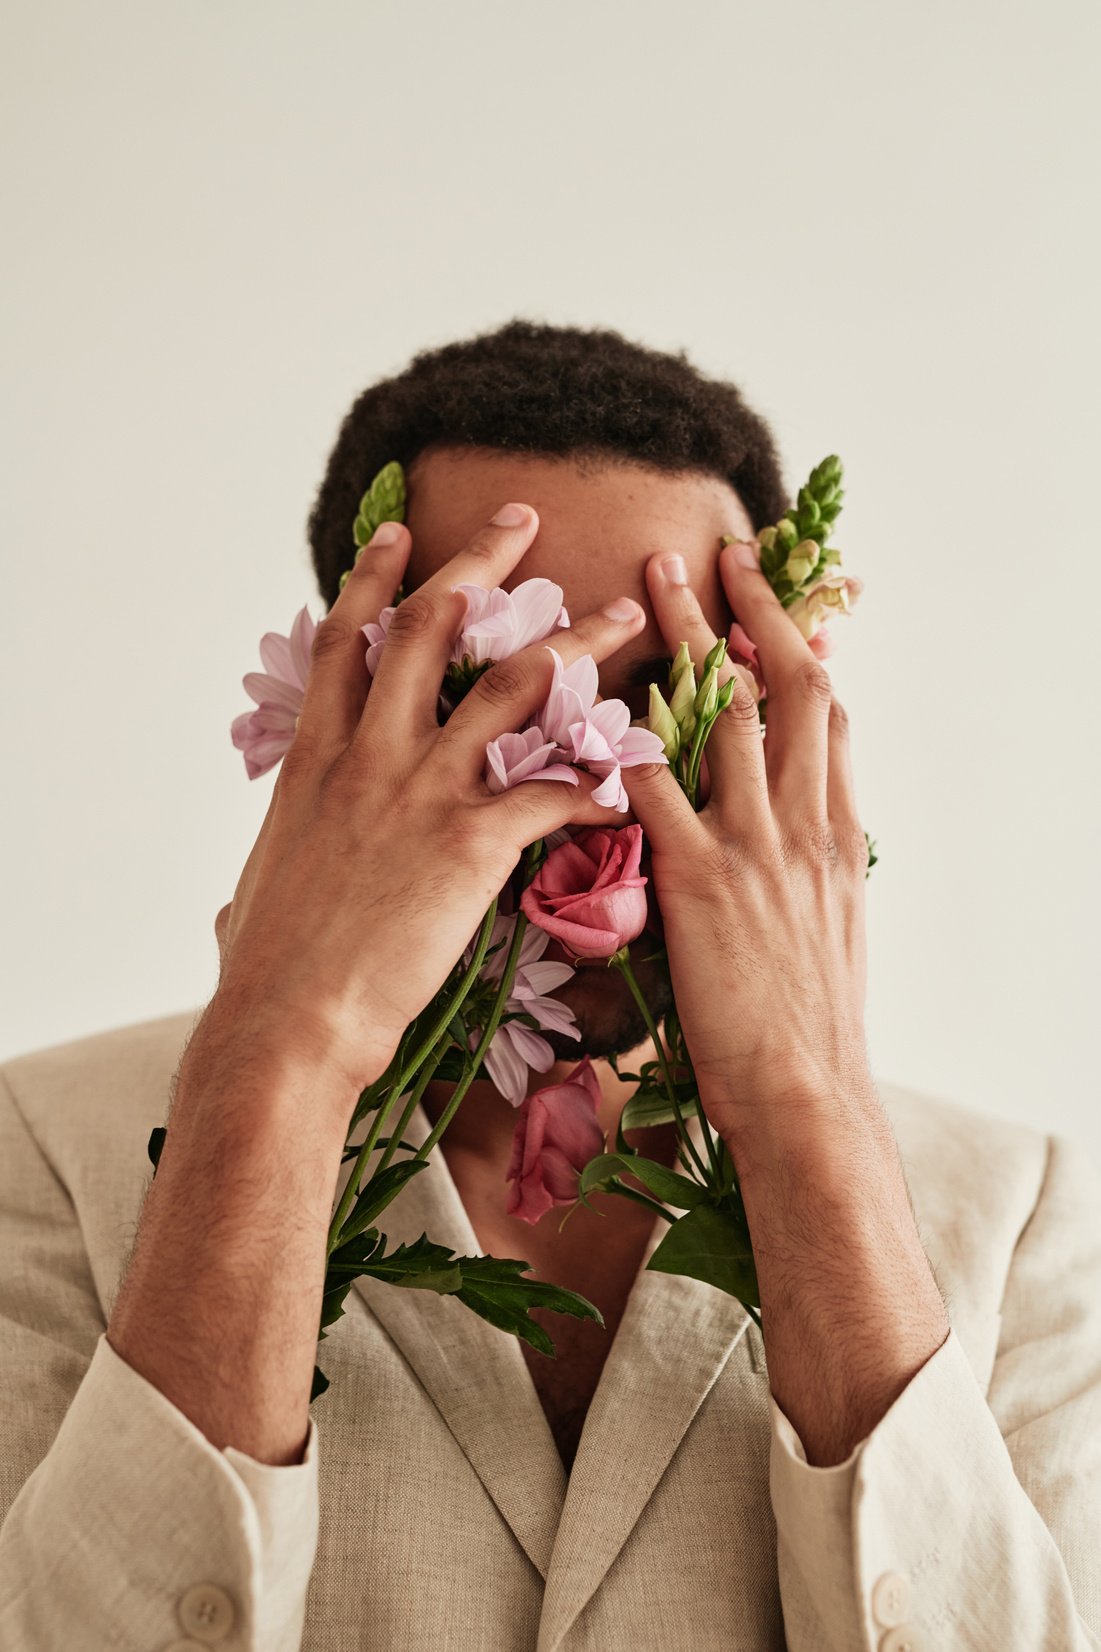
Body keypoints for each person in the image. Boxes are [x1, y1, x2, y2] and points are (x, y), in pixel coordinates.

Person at [1, 320, 1098, 1652]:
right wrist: (280, 1059)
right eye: (493, 703)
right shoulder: (43, 1152)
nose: (591, 811)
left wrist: (802, 1100)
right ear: (352, 716)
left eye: (659, 707)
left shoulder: (1024, 1212)